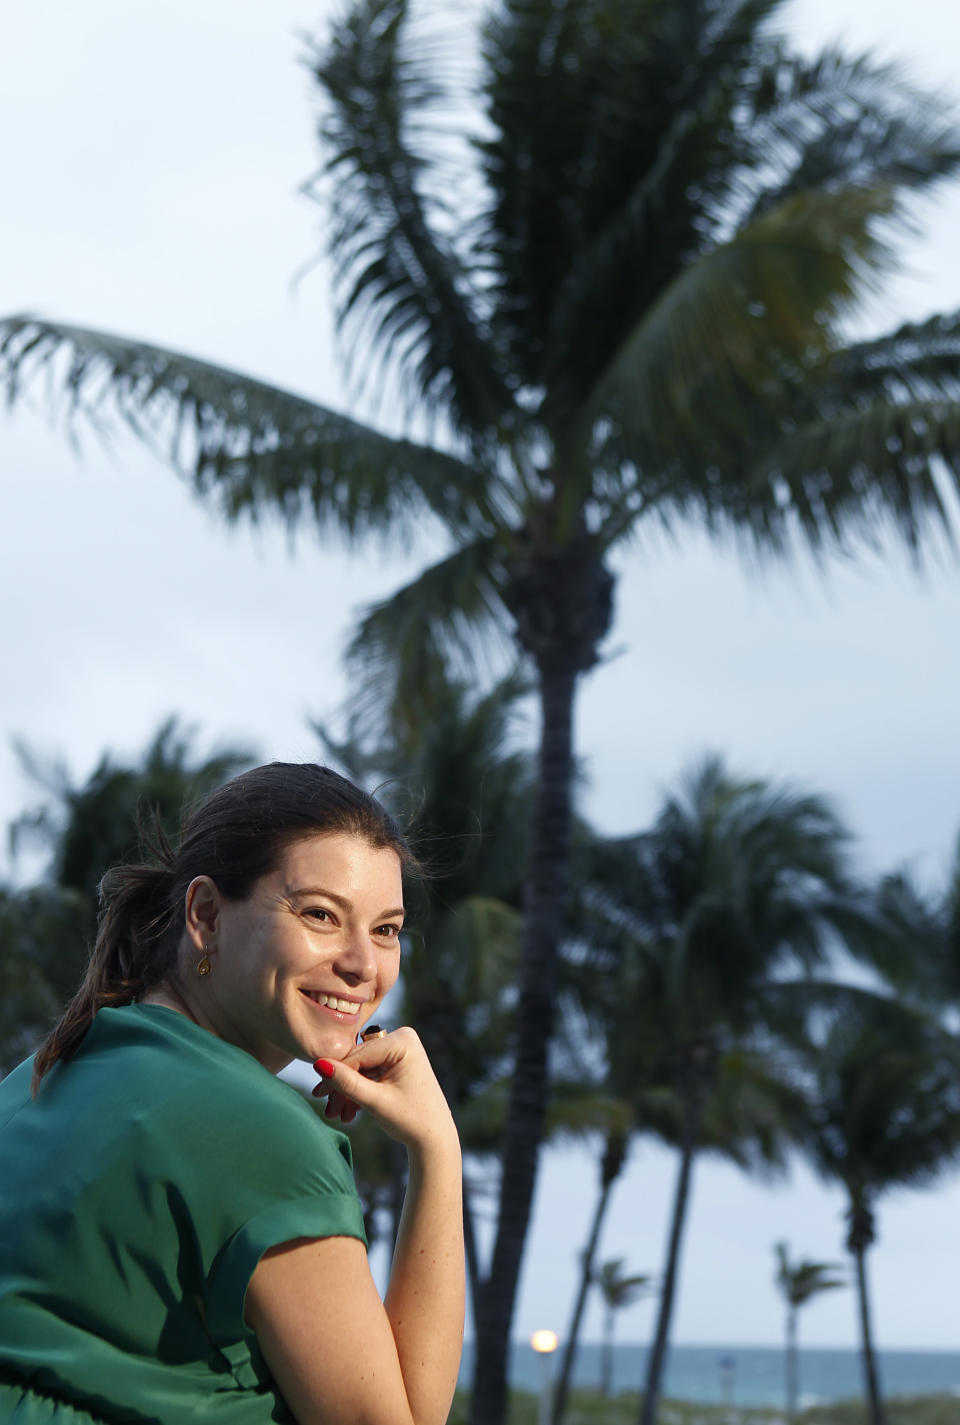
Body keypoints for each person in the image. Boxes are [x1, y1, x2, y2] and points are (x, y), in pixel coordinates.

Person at [0, 762, 465, 1425]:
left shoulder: (40, 1078)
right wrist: (439, 1150)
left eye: (387, 928)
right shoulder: (267, 1139)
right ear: (207, 914)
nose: (364, 963)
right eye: (321, 914)